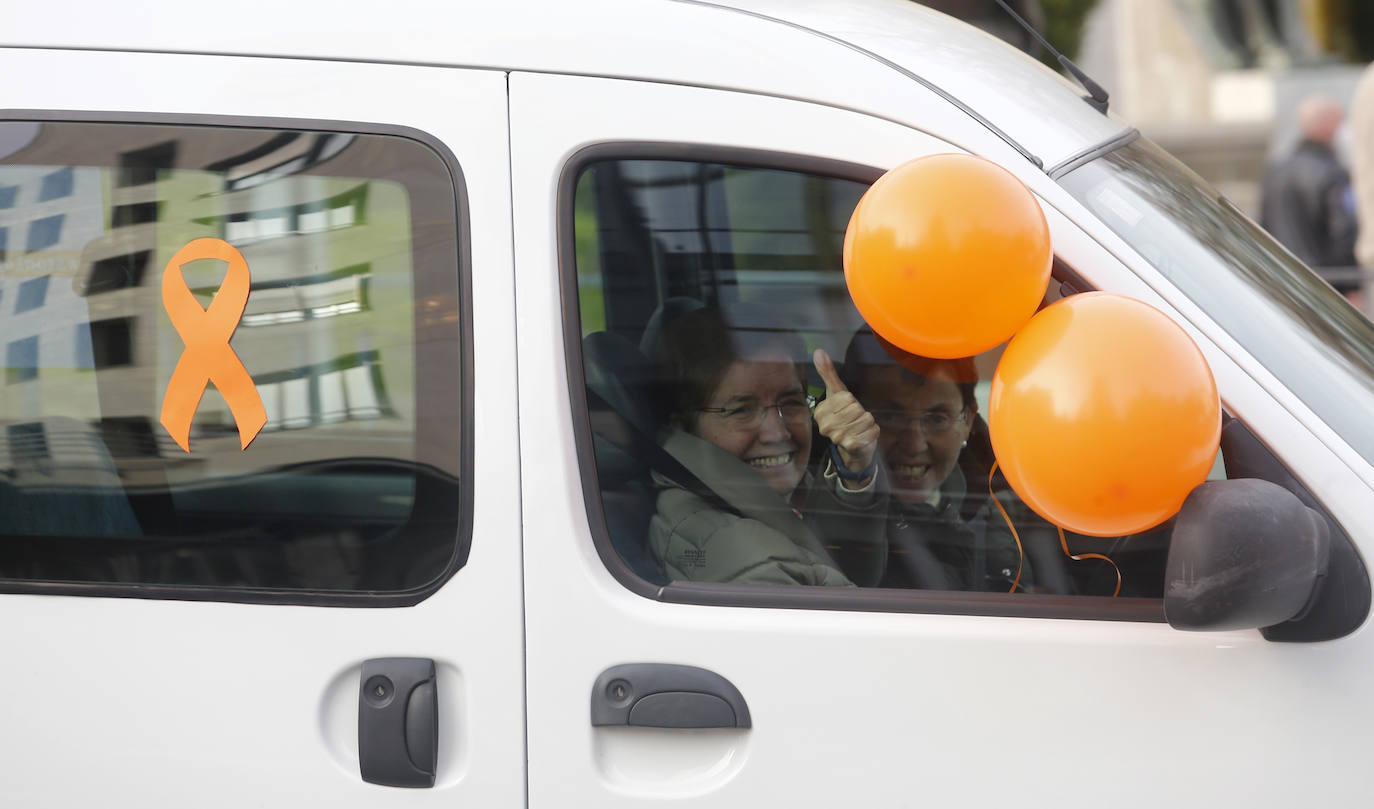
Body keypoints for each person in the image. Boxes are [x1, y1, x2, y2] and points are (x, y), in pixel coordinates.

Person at [647, 307, 886, 586]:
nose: (777, 432)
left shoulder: (753, 497)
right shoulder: (748, 560)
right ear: (684, 425)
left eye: (791, 402)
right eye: (742, 411)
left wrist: (854, 472)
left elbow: (835, 567)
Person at [840, 328, 1063, 592]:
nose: (914, 445)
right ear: (854, 417)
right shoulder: (833, 517)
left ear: (968, 421)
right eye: (891, 417)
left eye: (936, 419)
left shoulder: (1015, 504)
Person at [1260, 94, 1360, 300]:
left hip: (1285, 281)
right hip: (1328, 287)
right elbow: (1345, 233)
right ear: (1329, 126)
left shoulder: (1276, 170)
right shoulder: (1334, 173)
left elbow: (1263, 224)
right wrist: (1351, 285)